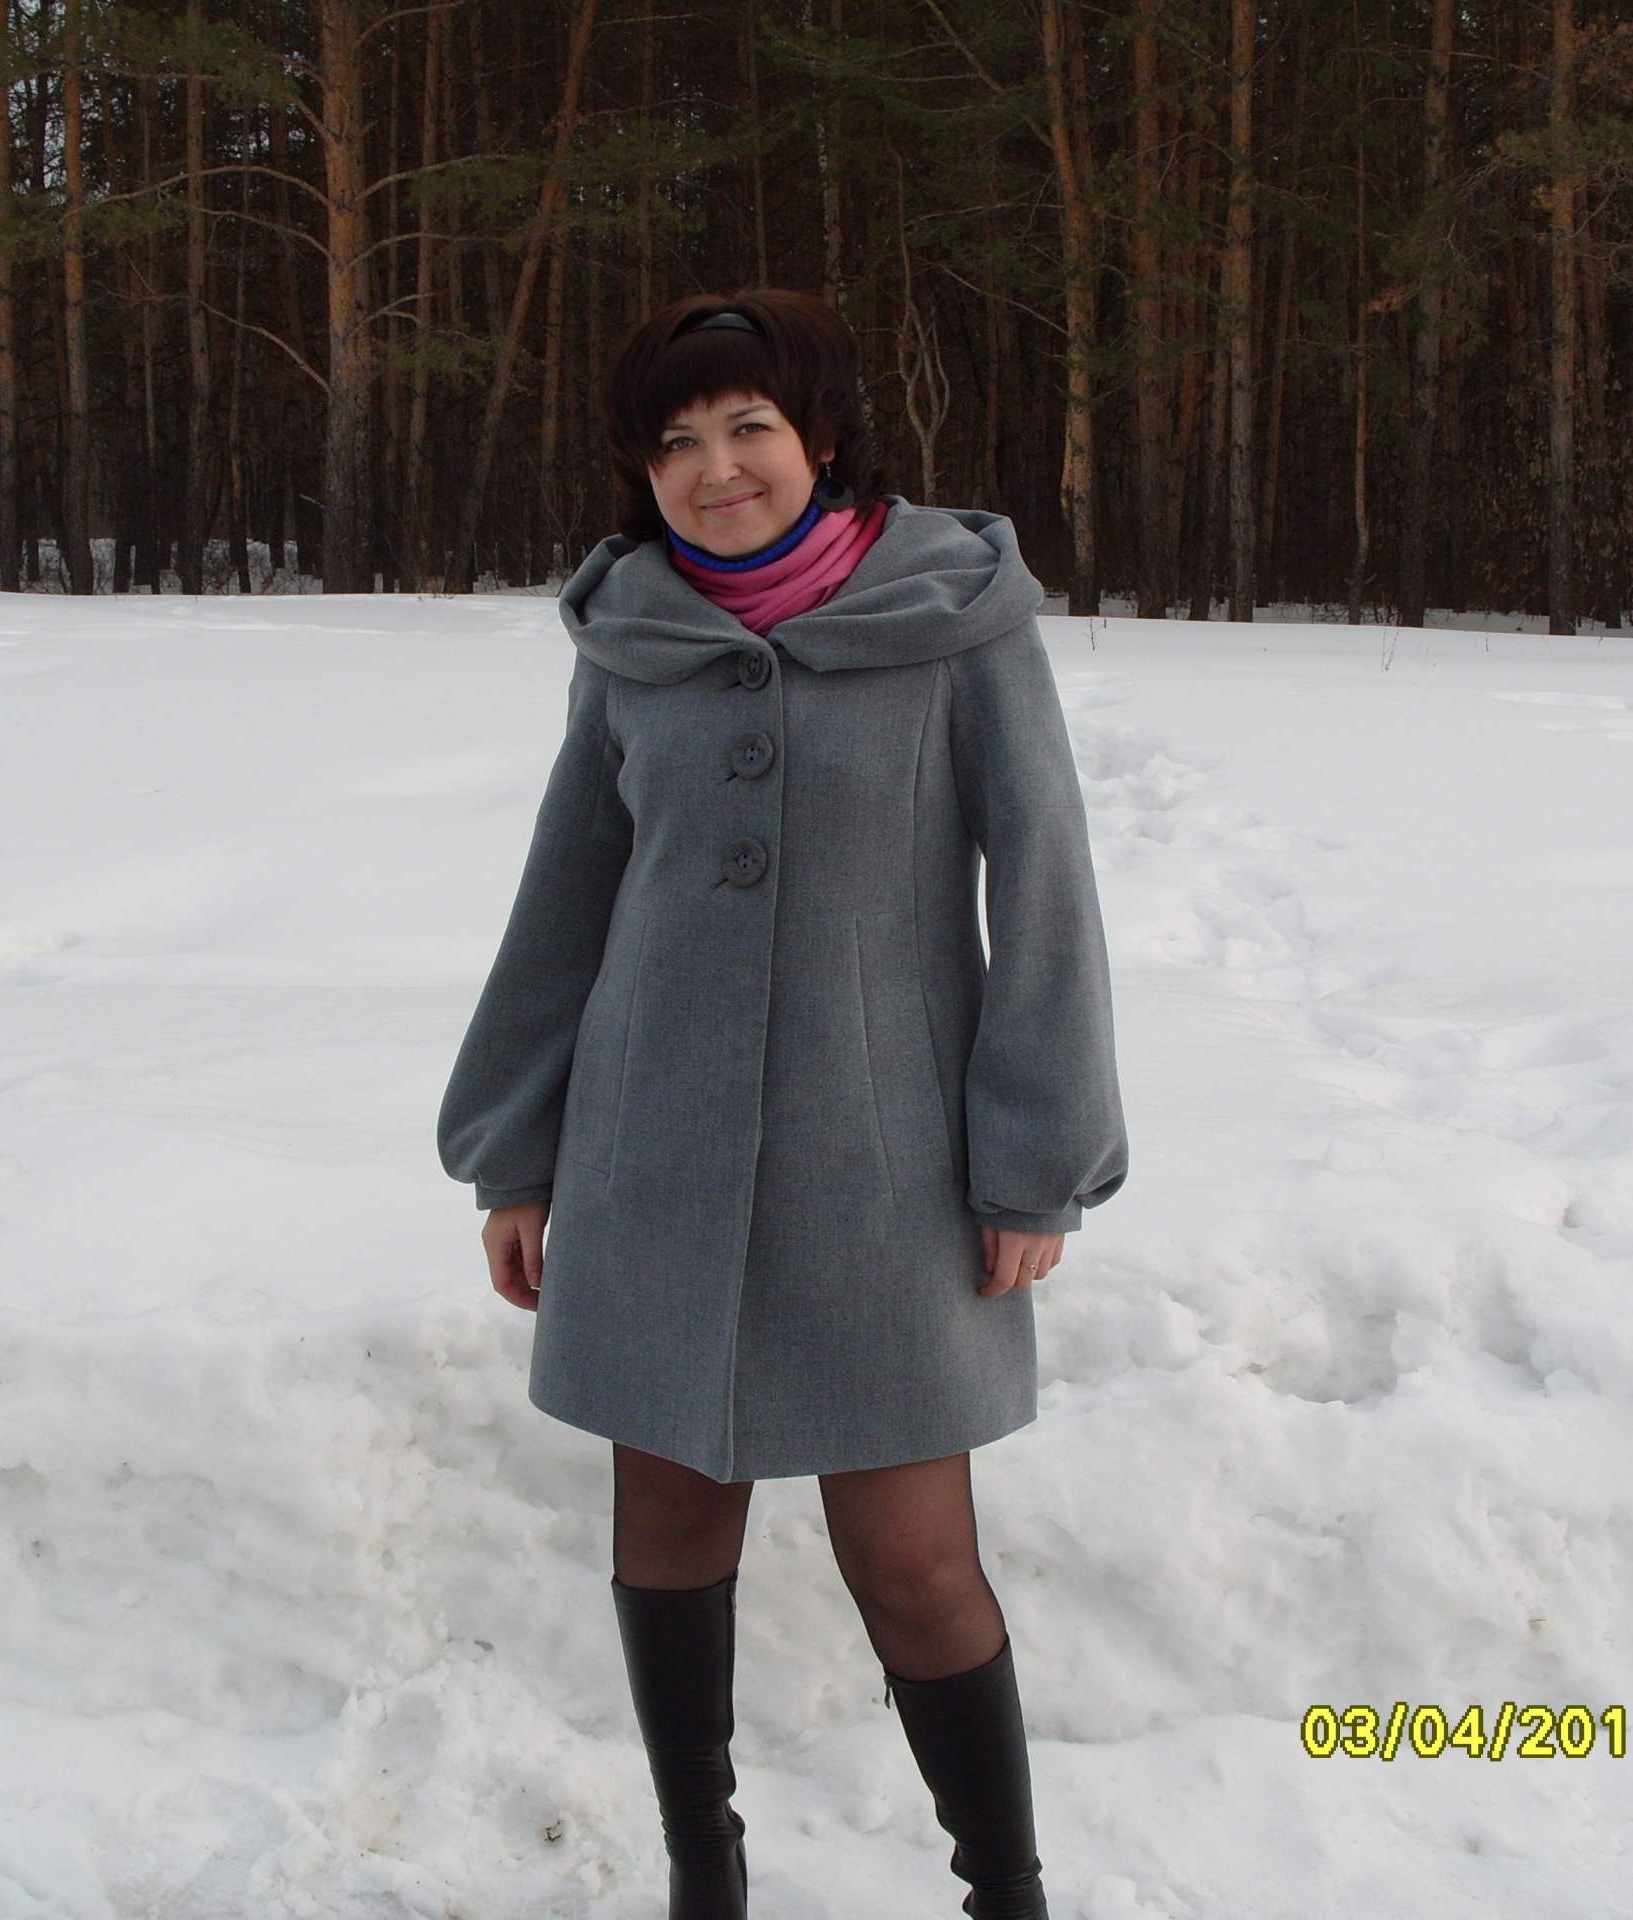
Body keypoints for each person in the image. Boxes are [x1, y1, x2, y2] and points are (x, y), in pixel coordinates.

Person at [438, 289, 1126, 1919]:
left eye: (749, 426)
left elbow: (1043, 885)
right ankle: (708, 1872)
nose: (716, 467)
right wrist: (515, 1156)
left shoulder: (957, 623)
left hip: (884, 1172)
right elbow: (566, 895)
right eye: (675, 441)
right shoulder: (634, 640)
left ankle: (1006, 1895)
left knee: (916, 1559)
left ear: (821, 439)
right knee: (669, 1521)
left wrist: (1035, 1165)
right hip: (651, 1161)